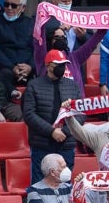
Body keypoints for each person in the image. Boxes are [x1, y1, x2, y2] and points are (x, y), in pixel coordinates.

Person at [22, 49, 84, 184]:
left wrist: (65, 132)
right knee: (40, 183)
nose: (62, 68)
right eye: (58, 64)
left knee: (65, 182)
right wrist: (51, 131)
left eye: (64, 64)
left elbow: (80, 113)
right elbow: (29, 114)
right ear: (49, 66)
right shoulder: (34, 85)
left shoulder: (72, 85)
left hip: (66, 143)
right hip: (42, 143)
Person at [0, 0, 34, 84]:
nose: (9, 8)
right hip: (5, 67)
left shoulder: (31, 24)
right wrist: (12, 67)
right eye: (6, 4)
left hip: (28, 66)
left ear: (23, 8)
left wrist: (30, 67)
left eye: (14, 6)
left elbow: (37, 49)